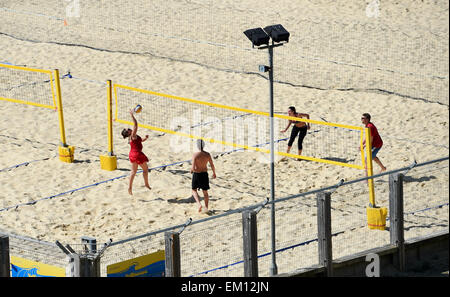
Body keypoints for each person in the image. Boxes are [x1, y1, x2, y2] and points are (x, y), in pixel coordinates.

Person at [121, 110, 151, 195]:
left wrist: (145, 138)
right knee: (145, 170)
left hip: (132, 154)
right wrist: (132, 115)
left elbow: (140, 141)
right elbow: (136, 125)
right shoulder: (133, 135)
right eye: (128, 129)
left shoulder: (133, 137)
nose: (129, 128)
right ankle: (146, 184)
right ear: (128, 133)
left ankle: (129, 187)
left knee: (133, 172)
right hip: (137, 154)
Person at [190, 139, 216, 213]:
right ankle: (206, 207)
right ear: (204, 145)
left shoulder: (195, 155)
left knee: (194, 190)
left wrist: (191, 171)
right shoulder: (207, 154)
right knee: (205, 192)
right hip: (204, 174)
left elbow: (193, 167)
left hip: (197, 174)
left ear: (197, 146)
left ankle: (199, 204)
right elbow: (212, 164)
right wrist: (214, 173)